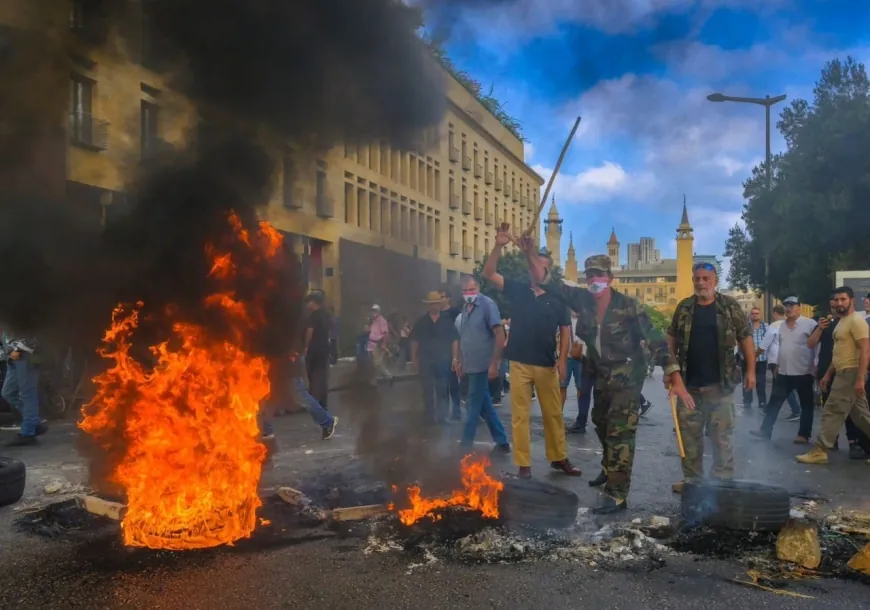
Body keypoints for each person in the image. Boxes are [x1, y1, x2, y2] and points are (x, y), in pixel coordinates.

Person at [525, 246, 678, 514]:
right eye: (590, 275)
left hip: (627, 376)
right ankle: (609, 470)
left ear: (610, 278)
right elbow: (546, 279)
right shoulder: (582, 300)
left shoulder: (628, 306)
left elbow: (654, 338)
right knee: (601, 422)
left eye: (599, 275)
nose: (594, 280)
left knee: (620, 431)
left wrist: (671, 371)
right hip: (599, 374)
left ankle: (618, 493)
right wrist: (529, 252)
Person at [484, 231, 583, 482]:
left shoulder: (557, 298)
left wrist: (561, 361)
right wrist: (498, 246)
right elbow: (489, 273)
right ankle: (523, 465)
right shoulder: (518, 290)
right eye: (535, 265)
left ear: (547, 272)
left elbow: (564, 330)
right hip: (519, 362)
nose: (537, 270)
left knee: (553, 414)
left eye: (543, 266)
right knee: (520, 416)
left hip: (546, 364)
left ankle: (559, 457)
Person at [668, 262, 754, 494]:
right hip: (689, 387)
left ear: (715, 280)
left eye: (706, 278)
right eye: (697, 278)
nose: (701, 283)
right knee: (689, 438)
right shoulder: (685, 308)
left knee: (721, 437)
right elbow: (672, 338)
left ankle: (722, 482)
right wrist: (671, 372)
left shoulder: (729, 306)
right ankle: (693, 482)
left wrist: (751, 371)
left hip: (720, 386)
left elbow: (745, 338)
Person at [797, 286, 870, 465]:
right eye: (836, 300)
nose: (839, 303)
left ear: (851, 300)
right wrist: (828, 375)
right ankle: (821, 450)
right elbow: (838, 352)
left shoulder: (856, 321)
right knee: (861, 416)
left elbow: (866, 350)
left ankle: (820, 450)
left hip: (851, 372)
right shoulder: (842, 322)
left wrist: (860, 378)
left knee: (832, 411)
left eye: (843, 299)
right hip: (842, 371)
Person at [453, 275, 510, 454]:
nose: (468, 294)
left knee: (472, 404)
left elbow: (499, 333)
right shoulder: (465, 308)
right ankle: (502, 441)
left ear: (478, 288)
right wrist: (460, 361)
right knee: (484, 404)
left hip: (482, 364)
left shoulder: (487, 305)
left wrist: (495, 363)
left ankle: (465, 444)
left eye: (472, 290)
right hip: (470, 363)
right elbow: (465, 338)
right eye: (465, 291)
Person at [750, 297, 817, 443]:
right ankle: (765, 431)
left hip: (804, 372)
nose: (789, 308)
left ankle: (804, 435)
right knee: (774, 402)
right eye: (786, 306)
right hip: (784, 372)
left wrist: (815, 367)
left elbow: (816, 346)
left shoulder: (810, 324)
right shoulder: (781, 326)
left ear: (799, 307)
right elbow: (782, 346)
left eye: (792, 306)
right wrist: (778, 364)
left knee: (806, 405)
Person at [410, 291, 459, 424]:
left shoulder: (447, 320)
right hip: (425, 359)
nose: (434, 306)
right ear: (428, 305)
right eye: (431, 304)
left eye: (436, 303)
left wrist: (455, 358)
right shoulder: (421, 321)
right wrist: (414, 359)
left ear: (439, 304)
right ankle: (429, 417)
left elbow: (454, 339)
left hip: (443, 359)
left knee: (442, 388)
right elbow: (415, 341)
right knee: (427, 389)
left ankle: (442, 417)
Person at [1, 330, 47, 446]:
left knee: (27, 392)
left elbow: (37, 331)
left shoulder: (26, 313)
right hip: (12, 357)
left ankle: (28, 432)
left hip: (25, 355)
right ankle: (34, 421)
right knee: (8, 392)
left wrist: (18, 349)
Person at [758, 305, 801, 420]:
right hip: (788, 358)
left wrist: (754, 355)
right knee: (777, 385)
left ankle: (796, 410)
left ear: (775, 313)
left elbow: (764, 344)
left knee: (782, 386)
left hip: (775, 360)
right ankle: (769, 409)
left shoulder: (775, 325)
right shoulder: (791, 324)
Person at [562, 318, 593, 434]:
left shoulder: (587, 317)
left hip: (586, 358)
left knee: (583, 390)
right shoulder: (569, 317)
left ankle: (582, 421)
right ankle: (580, 422)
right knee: (580, 390)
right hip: (575, 358)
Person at [302, 292, 332, 409]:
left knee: (312, 375)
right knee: (322, 375)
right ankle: (323, 402)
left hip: (314, 349)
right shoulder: (326, 315)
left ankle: (313, 401)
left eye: (309, 302)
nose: (308, 304)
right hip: (324, 349)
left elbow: (310, 331)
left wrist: (306, 347)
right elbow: (329, 332)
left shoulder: (313, 316)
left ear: (314, 303)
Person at [439, 289, 463, 421]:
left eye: (443, 297)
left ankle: (457, 411)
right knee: (442, 385)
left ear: (448, 298)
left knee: (453, 383)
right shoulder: (436, 314)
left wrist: (458, 356)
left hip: (453, 352)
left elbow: (458, 334)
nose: (441, 299)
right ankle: (443, 413)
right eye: (439, 297)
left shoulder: (455, 313)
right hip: (440, 353)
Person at [741, 307, 769, 412]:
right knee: (747, 381)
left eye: (757, 313)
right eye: (753, 313)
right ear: (750, 315)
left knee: (761, 382)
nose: (755, 315)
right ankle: (747, 402)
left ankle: (762, 403)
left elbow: (768, 341)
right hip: (747, 359)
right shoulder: (745, 327)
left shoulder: (765, 327)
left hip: (761, 359)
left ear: (760, 315)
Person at [367, 304, 393, 385]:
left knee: (377, 363)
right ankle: (375, 379)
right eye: (372, 311)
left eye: (375, 311)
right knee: (373, 363)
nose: (373, 312)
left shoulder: (382, 321)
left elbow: (386, 333)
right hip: (371, 344)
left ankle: (388, 376)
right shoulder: (373, 321)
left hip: (378, 344)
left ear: (378, 311)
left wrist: (384, 344)